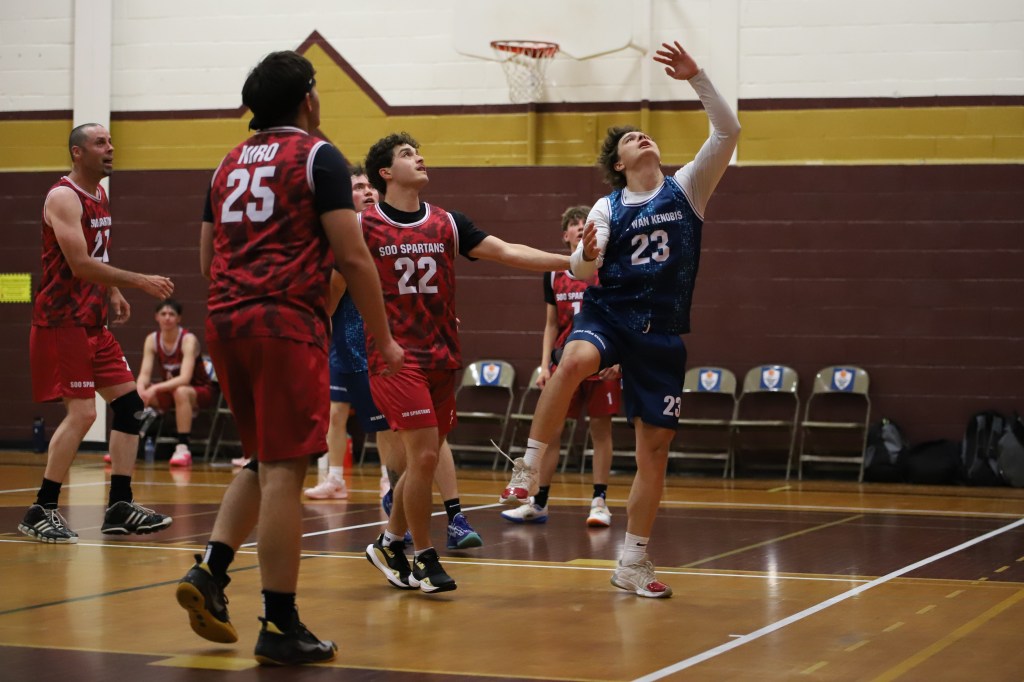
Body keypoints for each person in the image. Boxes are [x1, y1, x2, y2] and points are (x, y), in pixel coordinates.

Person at [176, 50, 402, 666]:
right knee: (285, 470)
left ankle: (210, 571)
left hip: (225, 321)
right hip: (283, 324)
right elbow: (353, 257)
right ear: (307, 98)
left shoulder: (226, 162)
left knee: (262, 458)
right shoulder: (316, 155)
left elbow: (206, 260)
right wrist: (384, 339)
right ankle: (279, 622)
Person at [499, 41, 741, 598]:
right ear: (618, 164)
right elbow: (585, 270)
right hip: (609, 315)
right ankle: (529, 467)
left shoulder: (688, 187)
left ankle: (632, 561)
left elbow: (728, 132)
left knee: (653, 453)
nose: (642, 137)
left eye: (645, 134)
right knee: (573, 360)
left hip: (661, 334)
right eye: (630, 139)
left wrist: (697, 77)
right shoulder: (607, 206)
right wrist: (585, 252)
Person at [361, 132, 573, 594]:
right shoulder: (364, 225)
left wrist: (569, 262)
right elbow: (335, 285)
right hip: (396, 359)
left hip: (442, 355)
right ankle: (424, 558)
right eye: (406, 154)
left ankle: (389, 542)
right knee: (423, 457)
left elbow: (506, 251)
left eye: (418, 151)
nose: (419, 157)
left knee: (422, 461)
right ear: (385, 172)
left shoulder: (447, 223)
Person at [303, 169, 483, 552]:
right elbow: (329, 296)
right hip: (360, 354)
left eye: (370, 186)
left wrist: (436, 314)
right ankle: (393, 511)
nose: (367, 192)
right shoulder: (351, 238)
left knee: (430, 438)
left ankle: (451, 515)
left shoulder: (403, 229)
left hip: (403, 352)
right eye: (358, 188)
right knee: (393, 439)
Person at [20, 122, 175, 545]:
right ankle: (41, 508)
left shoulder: (100, 195)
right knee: (84, 413)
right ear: (77, 152)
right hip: (62, 321)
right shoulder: (62, 197)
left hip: (91, 321)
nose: (111, 148)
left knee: (130, 406)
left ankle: (120, 505)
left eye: (110, 142)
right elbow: (79, 264)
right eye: (100, 143)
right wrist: (139, 281)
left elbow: (98, 255)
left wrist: (114, 291)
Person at [500, 206, 622, 528]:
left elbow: (621, 316)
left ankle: (599, 501)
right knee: (551, 433)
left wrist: (619, 359)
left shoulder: (607, 268)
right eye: (574, 224)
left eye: (585, 222)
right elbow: (551, 324)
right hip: (565, 362)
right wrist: (544, 366)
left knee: (600, 431)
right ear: (565, 235)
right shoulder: (553, 273)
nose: (580, 227)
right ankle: (539, 502)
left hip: (600, 359)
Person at [136, 298, 217, 467]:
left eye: (171, 314)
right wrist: (140, 390)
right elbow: (144, 375)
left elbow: (185, 379)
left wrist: (154, 388)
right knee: (133, 396)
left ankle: (183, 448)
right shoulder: (152, 340)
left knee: (181, 391)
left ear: (179, 318)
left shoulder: (188, 340)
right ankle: (128, 445)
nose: (167, 317)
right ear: (156, 317)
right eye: (163, 314)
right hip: (170, 391)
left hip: (198, 390)